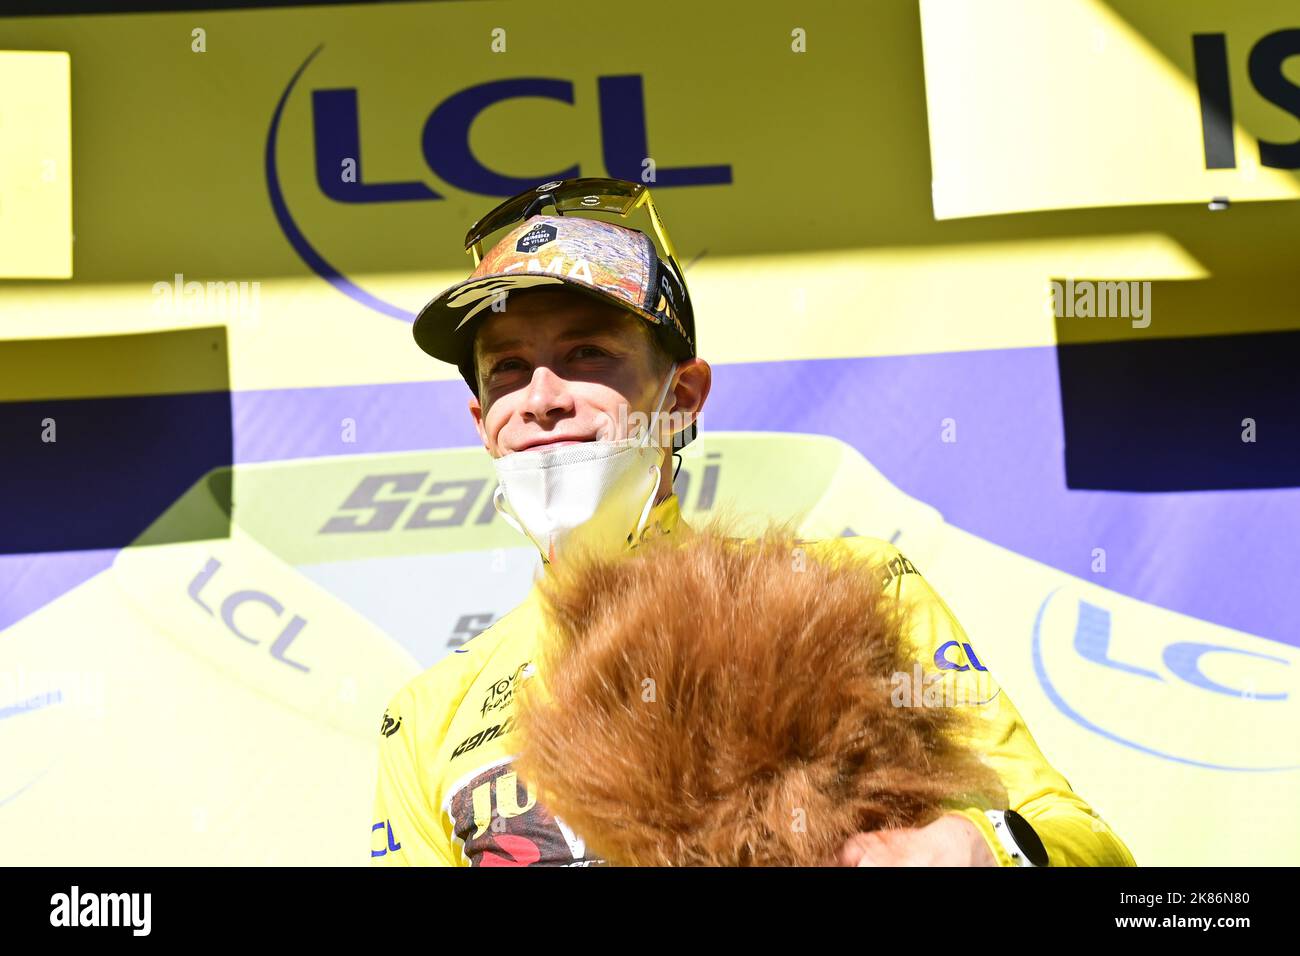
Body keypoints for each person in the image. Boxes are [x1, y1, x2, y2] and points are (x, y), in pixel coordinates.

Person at [369, 177, 1136, 867]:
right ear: (481, 421)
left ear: (681, 398)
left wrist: (980, 848)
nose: (542, 397)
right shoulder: (427, 717)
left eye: (588, 352)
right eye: (507, 368)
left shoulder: (853, 594)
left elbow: (1084, 842)